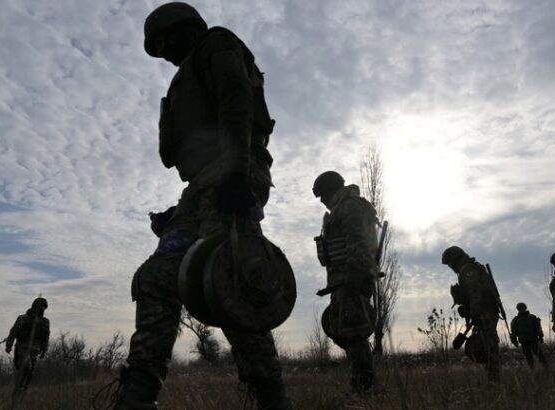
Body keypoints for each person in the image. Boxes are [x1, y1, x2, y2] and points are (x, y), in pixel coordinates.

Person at [115, 3, 288, 409]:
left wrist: (238, 174)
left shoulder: (217, 44)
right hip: (199, 189)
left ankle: (271, 397)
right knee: (157, 276)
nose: (163, 52)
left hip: (234, 172)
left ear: (183, 30)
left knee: (232, 280)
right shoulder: (184, 76)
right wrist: (180, 215)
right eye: (155, 48)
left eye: (164, 42)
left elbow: (236, 101)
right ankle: (137, 395)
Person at [312, 171, 378, 394]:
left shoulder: (349, 206)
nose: (322, 200)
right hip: (343, 280)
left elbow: (358, 242)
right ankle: (363, 382)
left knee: (354, 331)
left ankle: (364, 388)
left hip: (352, 279)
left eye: (323, 195)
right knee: (345, 330)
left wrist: (355, 278)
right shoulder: (340, 209)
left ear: (332, 190)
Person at [442, 246, 501, 381]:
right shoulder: (470, 268)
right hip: (485, 310)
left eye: (450, 263)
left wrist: (474, 312)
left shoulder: (467, 269)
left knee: (488, 344)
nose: (451, 267)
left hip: (484, 311)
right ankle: (492, 375)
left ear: (455, 260)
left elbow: (475, 292)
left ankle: (494, 378)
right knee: (486, 342)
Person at [5, 297, 50, 391]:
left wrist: (44, 350)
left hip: (35, 349)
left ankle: (22, 390)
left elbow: (46, 337)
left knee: (30, 373)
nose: (42, 309)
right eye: (40, 307)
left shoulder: (45, 322)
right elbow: (13, 331)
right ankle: (19, 387)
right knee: (26, 366)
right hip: (23, 347)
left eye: (44, 307)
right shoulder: (23, 318)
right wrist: (9, 345)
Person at [510, 302, 547, 368]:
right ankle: (541, 369)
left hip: (530, 340)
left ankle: (543, 369)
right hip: (528, 340)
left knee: (533, 356)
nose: (522, 309)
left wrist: (514, 341)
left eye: (522, 308)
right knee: (534, 356)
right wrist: (541, 337)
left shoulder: (516, 319)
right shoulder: (531, 317)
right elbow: (538, 328)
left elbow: (513, 332)